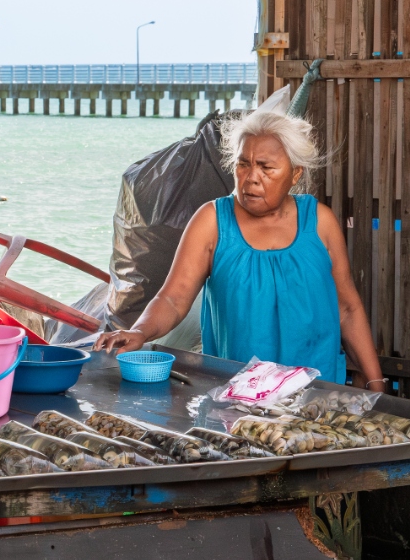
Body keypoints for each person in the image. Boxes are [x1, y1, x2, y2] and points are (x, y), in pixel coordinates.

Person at [96, 109, 384, 390]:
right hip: (236, 393)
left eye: (266, 167)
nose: (251, 177)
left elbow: (347, 308)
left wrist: (375, 382)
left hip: (316, 392)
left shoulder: (320, 222)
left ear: (295, 174)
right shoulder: (212, 222)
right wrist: (139, 331)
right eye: (243, 164)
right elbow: (173, 299)